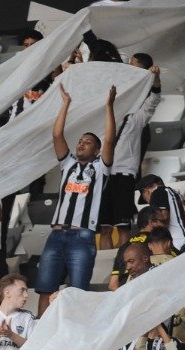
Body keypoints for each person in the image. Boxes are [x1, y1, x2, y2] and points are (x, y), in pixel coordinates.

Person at [38, 84, 117, 311]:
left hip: (82, 238)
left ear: (96, 151)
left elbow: (110, 140)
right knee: (46, 289)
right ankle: (39, 338)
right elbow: (57, 134)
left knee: (77, 293)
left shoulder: (101, 169)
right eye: (80, 140)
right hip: (56, 235)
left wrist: (109, 107)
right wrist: (65, 105)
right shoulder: (68, 164)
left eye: (88, 142)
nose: (81, 143)